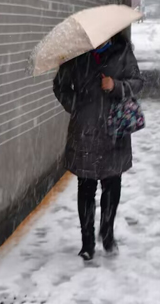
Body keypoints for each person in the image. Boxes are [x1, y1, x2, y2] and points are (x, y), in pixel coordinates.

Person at [53, 32, 143, 261]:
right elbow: (60, 87)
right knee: (86, 187)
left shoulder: (122, 52)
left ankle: (108, 231)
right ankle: (87, 242)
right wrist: (78, 107)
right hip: (85, 132)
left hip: (114, 132)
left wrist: (116, 86)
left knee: (112, 185)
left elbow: (137, 82)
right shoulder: (76, 56)